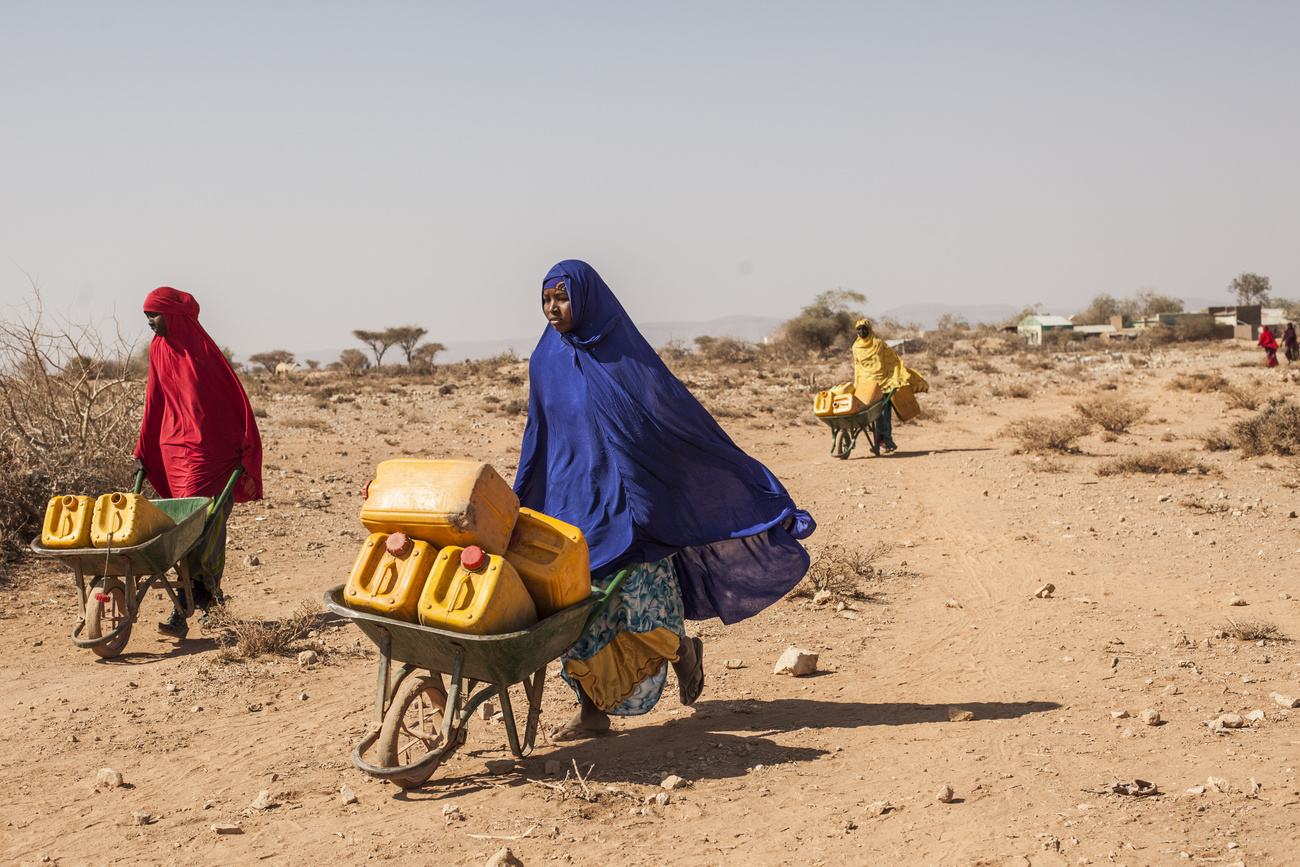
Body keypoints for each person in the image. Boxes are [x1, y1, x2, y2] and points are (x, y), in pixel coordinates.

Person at [514, 260, 815, 740]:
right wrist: (520, 501)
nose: (553, 308)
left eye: (563, 297)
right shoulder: (545, 357)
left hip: (628, 506)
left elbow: (669, 415)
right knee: (572, 614)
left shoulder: (622, 352)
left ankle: (682, 651)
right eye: (546, 299)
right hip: (570, 507)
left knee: (640, 604)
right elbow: (539, 433)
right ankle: (591, 709)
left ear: (586, 298)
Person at [134, 287, 263, 639]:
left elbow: (231, 403)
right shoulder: (159, 348)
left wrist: (243, 448)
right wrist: (142, 451)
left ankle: (199, 603)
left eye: (154, 314)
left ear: (173, 316)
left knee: (204, 527)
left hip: (210, 454)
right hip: (175, 451)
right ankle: (196, 604)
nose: (149, 321)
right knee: (182, 530)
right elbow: (154, 400)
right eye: (146, 315)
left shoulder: (203, 352)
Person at [851, 319, 928, 455]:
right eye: (859, 329)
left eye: (864, 329)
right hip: (866, 386)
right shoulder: (856, 347)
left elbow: (892, 360)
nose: (862, 332)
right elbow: (858, 367)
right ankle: (878, 439)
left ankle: (884, 440)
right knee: (870, 415)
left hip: (883, 383)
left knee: (883, 414)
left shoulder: (879, 344)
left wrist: (896, 376)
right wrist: (857, 383)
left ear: (869, 329)